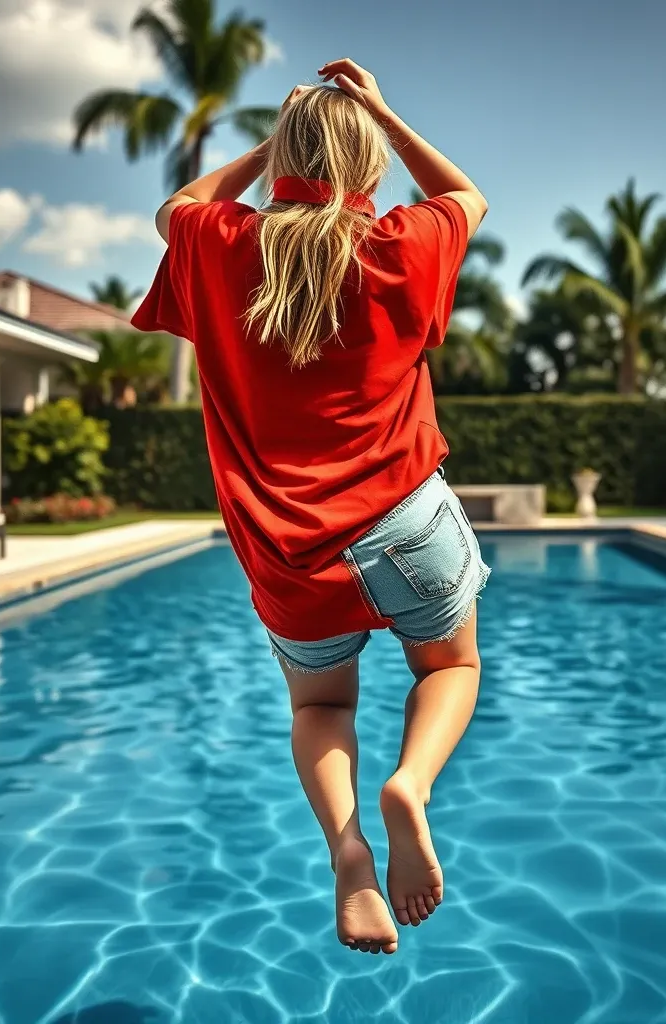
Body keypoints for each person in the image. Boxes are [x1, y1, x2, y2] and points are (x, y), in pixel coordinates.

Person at [133, 59, 490, 956]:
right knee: (449, 670)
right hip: (407, 522)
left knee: (319, 710)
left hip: (288, 554)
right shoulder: (401, 242)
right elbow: (469, 196)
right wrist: (382, 112)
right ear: (368, 163)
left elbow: (175, 206)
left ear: (282, 157)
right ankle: (409, 784)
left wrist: (270, 145)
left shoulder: (218, 246)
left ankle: (347, 848)